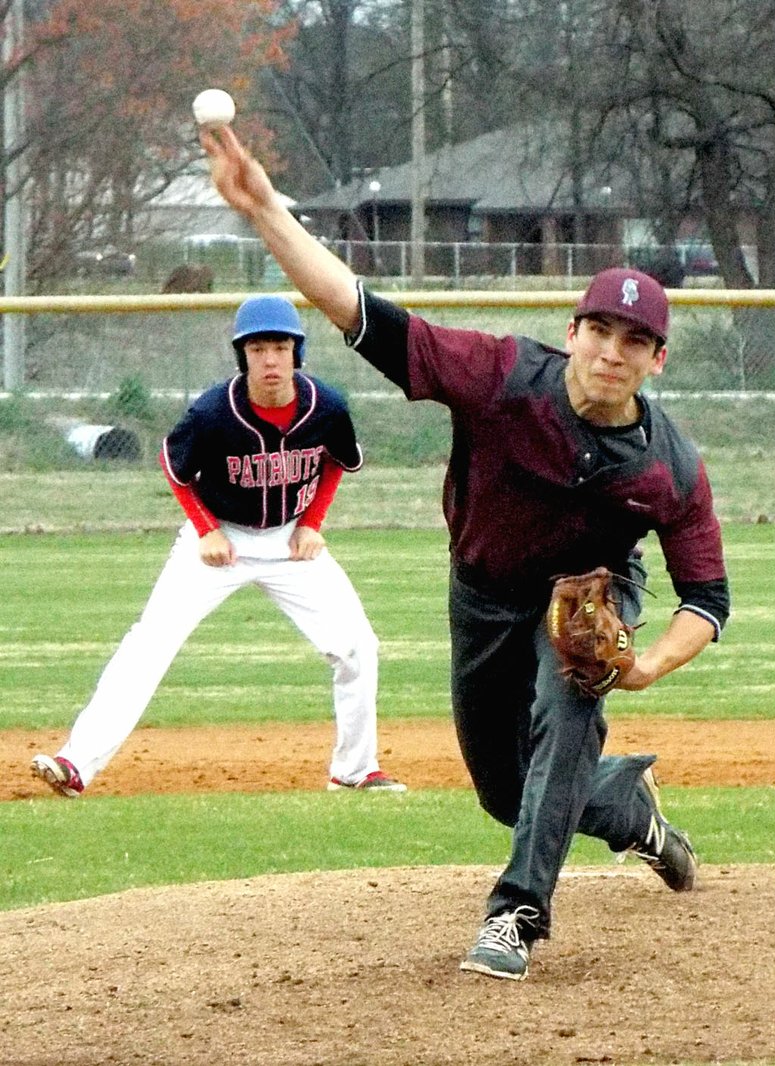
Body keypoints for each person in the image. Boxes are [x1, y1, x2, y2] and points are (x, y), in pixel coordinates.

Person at [200, 126, 729, 981]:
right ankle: (625, 806)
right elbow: (361, 313)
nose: (611, 351)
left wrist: (644, 668)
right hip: (483, 594)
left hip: (587, 593)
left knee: (570, 702)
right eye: (600, 329)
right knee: (501, 790)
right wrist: (265, 208)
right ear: (573, 330)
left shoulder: (670, 465)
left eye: (634, 340)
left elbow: (707, 598)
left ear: (657, 360)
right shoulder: (498, 377)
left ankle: (516, 914)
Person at [31, 294, 406, 798]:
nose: (270, 359)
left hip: (290, 542)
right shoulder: (213, 412)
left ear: (297, 352)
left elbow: (338, 460)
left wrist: (313, 521)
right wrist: (206, 529)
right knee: (150, 642)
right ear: (242, 356)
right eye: (257, 349)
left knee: (358, 646)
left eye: (279, 346)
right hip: (218, 539)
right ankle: (75, 763)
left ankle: (355, 769)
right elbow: (176, 469)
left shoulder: (327, 406)